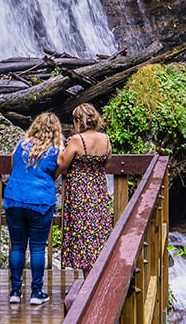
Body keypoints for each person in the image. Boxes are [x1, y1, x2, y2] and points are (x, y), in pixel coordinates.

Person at [3, 112, 62, 305]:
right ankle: (36, 293)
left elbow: (13, 168)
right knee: (38, 248)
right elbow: (56, 174)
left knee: (17, 246)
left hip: (15, 198)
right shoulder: (56, 151)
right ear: (56, 131)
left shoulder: (21, 145)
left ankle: (15, 291)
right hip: (40, 201)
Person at [56, 103, 113, 274]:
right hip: (98, 189)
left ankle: (88, 282)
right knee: (98, 232)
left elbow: (63, 163)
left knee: (82, 235)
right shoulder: (106, 138)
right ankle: (98, 277)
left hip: (80, 191)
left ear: (79, 121)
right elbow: (107, 164)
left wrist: (61, 147)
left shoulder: (77, 139)